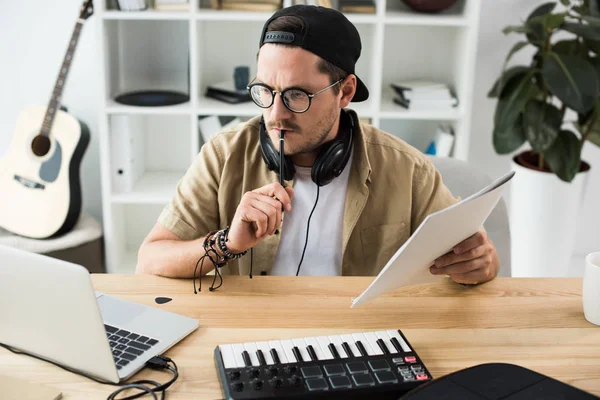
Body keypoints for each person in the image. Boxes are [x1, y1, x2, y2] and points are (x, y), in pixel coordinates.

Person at [136, 5, 500, 286]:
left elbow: (477, 257)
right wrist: (227, 243)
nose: (276, 113)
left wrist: (482, 264)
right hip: (249, 337)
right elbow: (150, 259)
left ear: (345, 91)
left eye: (297, 94)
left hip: (358, 339)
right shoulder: (223, 153)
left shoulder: (407, 167)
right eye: (265, 91)